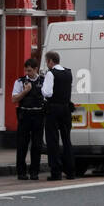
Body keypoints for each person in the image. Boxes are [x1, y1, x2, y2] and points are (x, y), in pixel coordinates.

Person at [41, 50, 75, 181]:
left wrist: (42, 89)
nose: (47, 64)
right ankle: (70, 171)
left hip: (53, 109)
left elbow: (47, 93)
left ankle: (56, 172)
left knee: (53, 140)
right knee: (67, 140)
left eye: (47, 62)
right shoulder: (68, 72)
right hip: (66, 108)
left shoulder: (51, 74)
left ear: (50, 61)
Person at [11, 57, 45, 180]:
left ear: (36, 69)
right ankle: (21, 172)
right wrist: (25, 92)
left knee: (37, 145)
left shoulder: (43, 81)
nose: (27, 73)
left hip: (38, 115)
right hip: (24, 115)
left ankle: (34, 172)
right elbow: (14, 99)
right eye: (26, 70)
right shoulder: (20, 82)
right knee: (22, 144)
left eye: (29, 71)